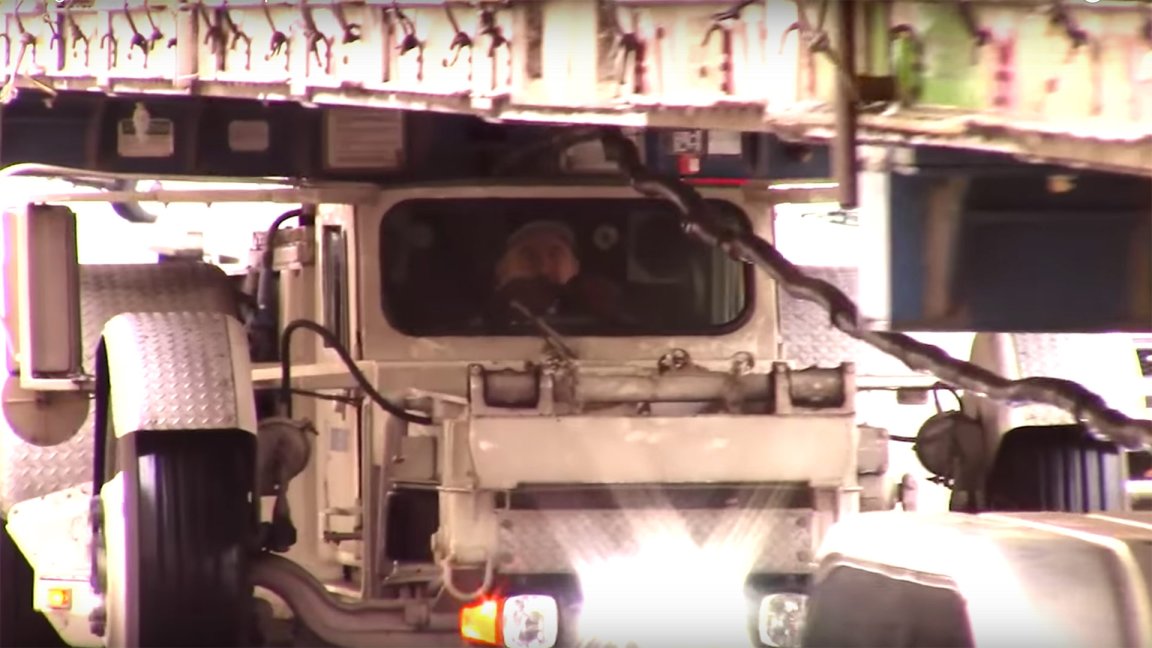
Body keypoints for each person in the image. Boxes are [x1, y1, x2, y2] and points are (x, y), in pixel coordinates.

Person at [489, 220, 623, 323]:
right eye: (528, 256)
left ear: (575, 267)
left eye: (555, 255)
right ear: (501, 270)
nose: (543, 269)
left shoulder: (601, 325)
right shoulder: (480, 330)